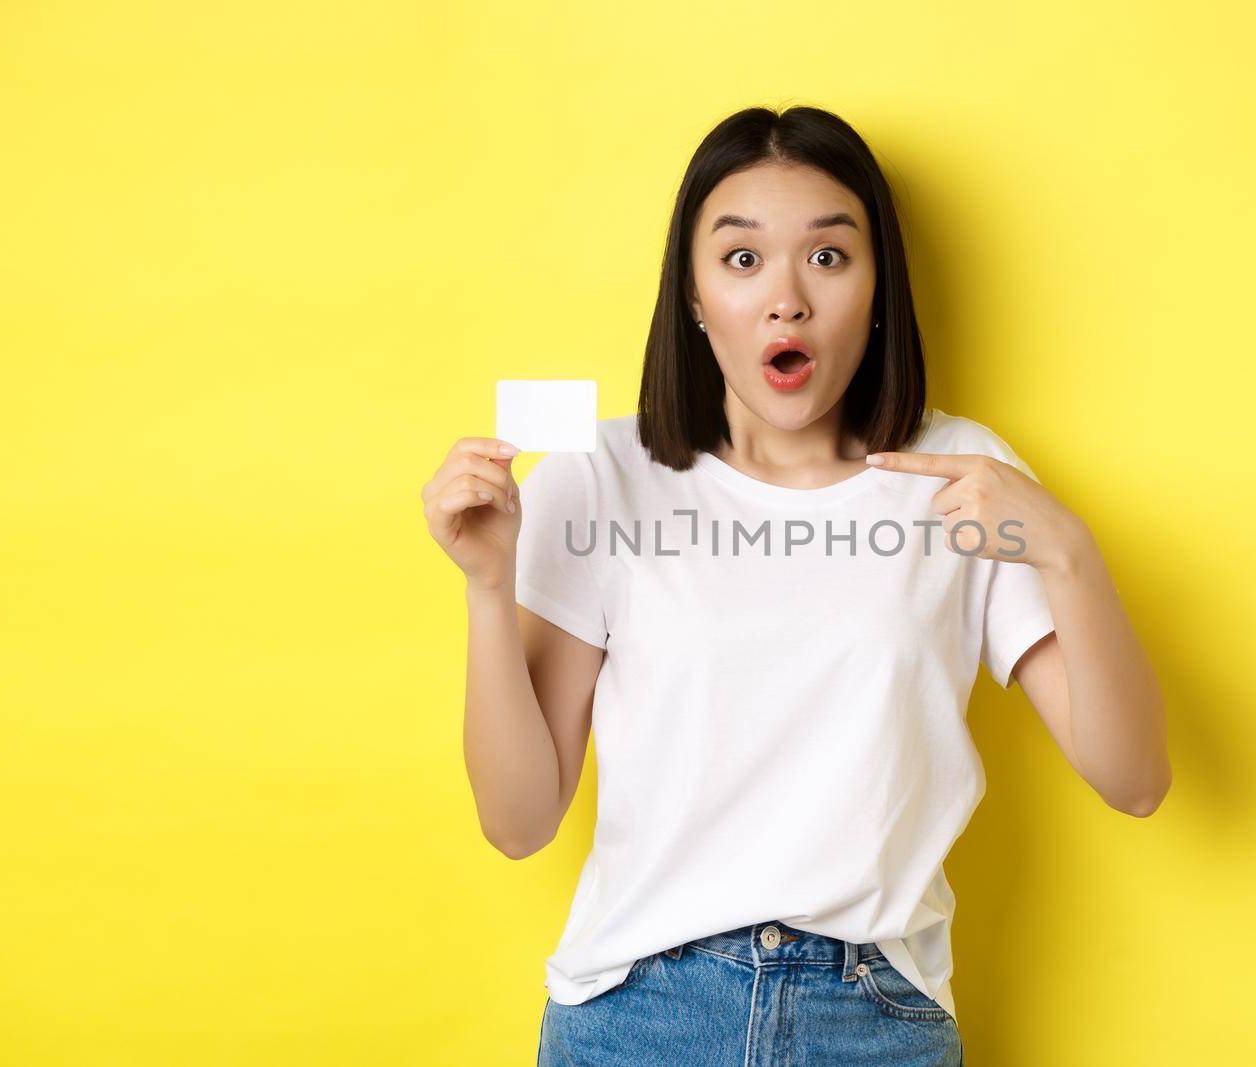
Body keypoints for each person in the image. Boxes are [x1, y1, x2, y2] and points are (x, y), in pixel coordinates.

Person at [422, 105, 1171, 1066]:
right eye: (742, 260)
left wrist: (1068, 551)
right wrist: (489, 587)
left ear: (878, 289)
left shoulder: (963, 474)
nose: (787, 299)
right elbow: (519, 823)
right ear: (693, 295)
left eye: (827, 257)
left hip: (874, 1020)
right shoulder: (603, 472)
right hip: (637, 1015)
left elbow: (1136, 778)